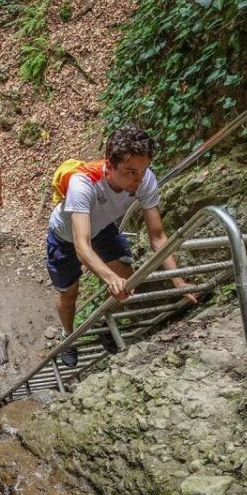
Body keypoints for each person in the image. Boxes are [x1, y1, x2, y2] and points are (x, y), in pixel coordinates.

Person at [46, 125, 198, 367]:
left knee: (127, 276)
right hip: (65, 236)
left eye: (143, 170)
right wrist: (110, 279)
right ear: (109, 165)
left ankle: (106, 323)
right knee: (69, 295)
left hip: (102, 227)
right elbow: (82, 246)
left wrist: (178, 281)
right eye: (131, 172)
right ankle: (68, 336)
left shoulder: (144, 180)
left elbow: (158, 236)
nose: (139, 179)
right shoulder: (82, 184)